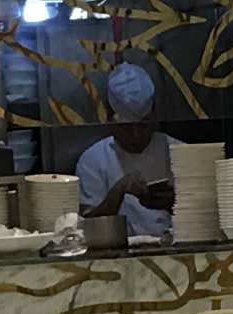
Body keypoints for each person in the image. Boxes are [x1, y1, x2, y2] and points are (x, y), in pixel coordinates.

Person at [73, 62, 178, 245]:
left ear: (154, 117)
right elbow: (85, 230)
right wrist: (117, 191)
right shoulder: (92, 161)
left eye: (143, 125)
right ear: (109, 119)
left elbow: (204, 216)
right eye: (127, 127)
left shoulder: (178, 152)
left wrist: (172, 202)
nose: (136, 135)